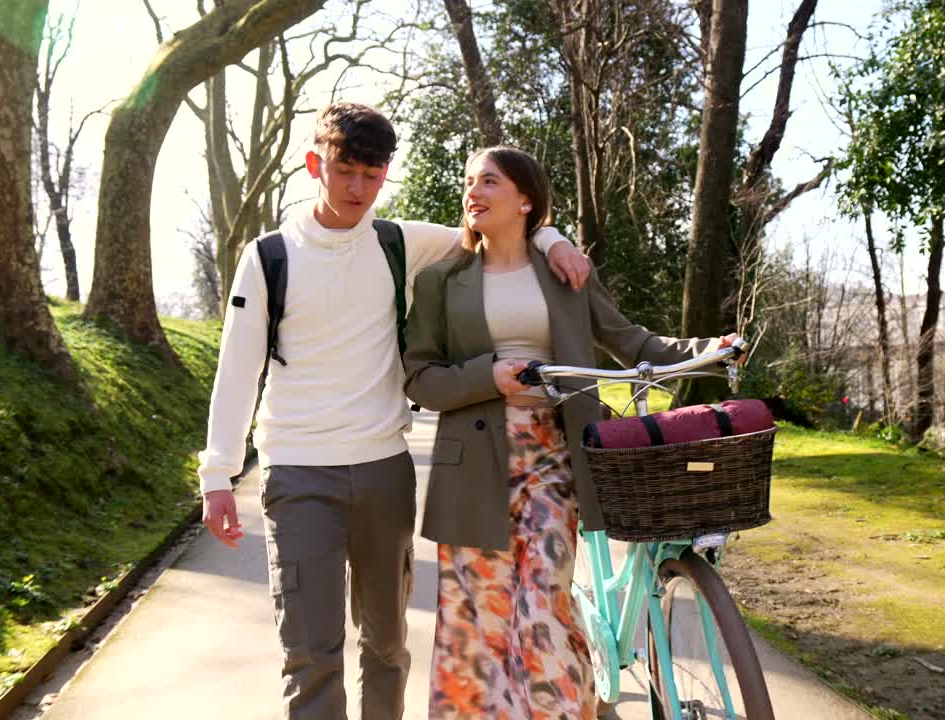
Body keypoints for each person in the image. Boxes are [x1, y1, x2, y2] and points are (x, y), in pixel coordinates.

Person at [197, 105, 590, 720]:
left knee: (385, 647)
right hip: (298, 473)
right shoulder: (269, 255)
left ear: (385, 176)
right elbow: (238, 368)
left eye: (371, 175)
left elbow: (495, 229)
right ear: (314, 167)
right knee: (310, 652)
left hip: (384, 471)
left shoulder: (398, 242)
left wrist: (552, 238)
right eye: (344, 171)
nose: (357, 188)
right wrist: (217, 473)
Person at [402, 145, 738, 719]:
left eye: (489, 181)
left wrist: (708, 351)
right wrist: (488, 377)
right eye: (469, 181)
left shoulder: (565, 272)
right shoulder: (441, 281)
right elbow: (419, 378)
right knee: (477, 621)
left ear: (526, 200)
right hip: (473, 466)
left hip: (553, 456)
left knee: (542, 607)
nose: (473, 192)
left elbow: (630, 341)